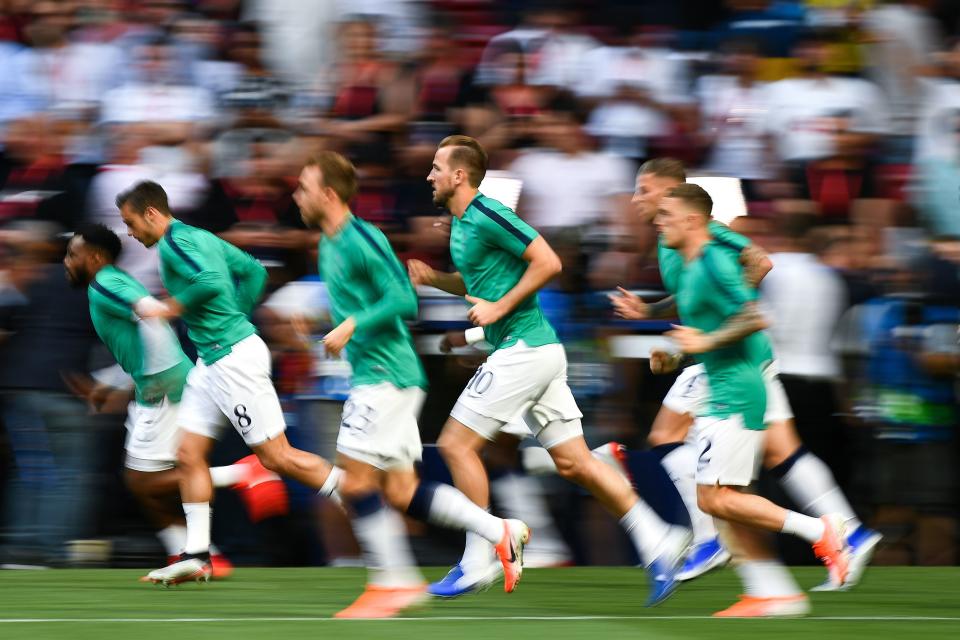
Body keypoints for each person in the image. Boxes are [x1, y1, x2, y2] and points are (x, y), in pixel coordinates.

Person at [409, 135, 691, 606]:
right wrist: (436, 279)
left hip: (523, 350)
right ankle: (658, 540)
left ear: (460, 175)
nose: (429, 175)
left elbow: (548, 261)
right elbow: (477, 281)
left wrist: (498, 308)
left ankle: (479, 558)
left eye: (437, 167)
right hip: (533, 352)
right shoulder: (460, 225)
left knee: (457, 446)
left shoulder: (489, 213)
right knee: (575, 463)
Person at [611, 158, 881, 589]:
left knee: (669, 440)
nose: (635, 198)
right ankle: (850, 531)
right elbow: (691, 293)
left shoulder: (705, 233)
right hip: (734, 356)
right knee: (781, 453)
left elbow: (757, 263)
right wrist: (653, 309)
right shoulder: (673, 240)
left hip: (734, 358)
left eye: (644, 189)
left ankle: (715, 541)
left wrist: (727, 317)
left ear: (670, 193)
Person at [292, 151, 529, 618]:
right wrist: (326, 318)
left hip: (386, 376)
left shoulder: (361, 237)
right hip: (381, 376)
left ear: (329, 194)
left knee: (355, 481)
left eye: (303, 186)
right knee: (400, 491)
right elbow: (360, 301)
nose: (296, 195)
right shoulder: (328, 242)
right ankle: (498, 530)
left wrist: (351, 324)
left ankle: (392, 582)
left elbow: (403, 299)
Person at [113, 181, 341, 585]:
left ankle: (364, 497)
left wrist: (174, 307)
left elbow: (211, 284)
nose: (130, 232)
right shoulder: (200, 237)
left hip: (231, 359)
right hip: (212, 362)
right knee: (187, 455)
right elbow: (252, 271)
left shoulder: (174, 244)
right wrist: (238, 316)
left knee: (278, 457)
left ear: (151, 214)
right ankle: (198, 556)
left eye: (130, 223)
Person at [651, 183, 849, 617]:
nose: (656, 220)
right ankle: (783, 574)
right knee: (715, 499)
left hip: (737, 391)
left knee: (720, 498)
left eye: (664, 213)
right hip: (725, 387)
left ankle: (821, 533)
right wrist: (679, 353)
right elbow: (717, 325)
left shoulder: (712, 261)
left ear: (691, 219)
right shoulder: (693, 264)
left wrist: (701, 342)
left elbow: (755, 315)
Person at [63, 223, 287, 578]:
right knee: (143, 484)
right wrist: (110, 382)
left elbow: (154, 315)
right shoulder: (108, 283)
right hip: (160, 386)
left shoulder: (107, 284)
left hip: (164, 390)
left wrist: (157, 381)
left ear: (94, 257)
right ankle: (195, 555)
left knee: (148, 482)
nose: (66, 261)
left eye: (72, 254)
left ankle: (245, 473)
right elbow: (138, 339)